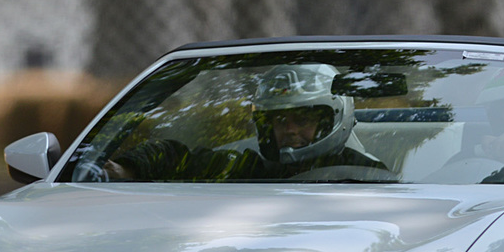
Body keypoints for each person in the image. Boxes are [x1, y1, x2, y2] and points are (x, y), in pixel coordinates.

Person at [103, 63, 387, 181]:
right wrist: (124, 169)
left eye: (302, 119)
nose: (289, 129)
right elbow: (175, 156)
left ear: (333, 118)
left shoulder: (367, 175)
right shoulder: (249, 167)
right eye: (279, 120)